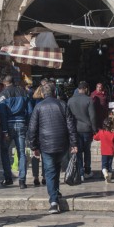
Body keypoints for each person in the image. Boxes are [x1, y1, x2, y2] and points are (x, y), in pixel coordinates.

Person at [28, 83, 77, 214]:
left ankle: (53, 201)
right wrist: (74, 143)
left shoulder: (38, 107)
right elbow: (71, 126)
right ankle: (55, 192)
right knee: (55, 169)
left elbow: (32, 129)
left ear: (43, 94)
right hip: (62, 144)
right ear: (54, 93)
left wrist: (34, 146)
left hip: (46, 144)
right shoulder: (62, 105)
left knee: (50, 172)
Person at [0, 75, 30, 187]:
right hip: (21, 123)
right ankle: (22, 181)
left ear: (4, 83)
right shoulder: (23, 92)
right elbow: (29, 111)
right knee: (21, 152)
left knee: (4, 151)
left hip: (8, 125)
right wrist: (27, 124)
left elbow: (2, 113)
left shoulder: (2, 94)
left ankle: (8, 178)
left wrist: (5, 130)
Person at [66, 81, 96, 182]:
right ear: (86, 89)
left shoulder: (70, 101)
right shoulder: (89, 100)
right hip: (87, 129)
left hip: (75, 130)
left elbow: (68, 117)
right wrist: (94, 129)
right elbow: (92, 116)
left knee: (77, 151)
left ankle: (80, 172)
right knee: (87, 151)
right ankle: (87, 170)